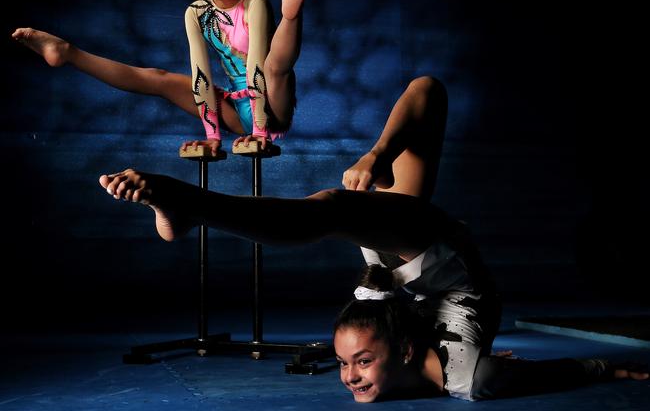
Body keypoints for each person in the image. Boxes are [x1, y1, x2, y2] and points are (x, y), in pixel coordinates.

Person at [95, 76, 648, 402]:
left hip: (402, 270)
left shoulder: (395, 328)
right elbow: (551, 372)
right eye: (357, 363)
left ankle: (195, 209)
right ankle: (191, 205)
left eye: (349, 364)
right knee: (333, 209)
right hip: (447, 264)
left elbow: (424, 89)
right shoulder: (466, 377)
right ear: (405, 351)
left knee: (422, 98)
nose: (349, 377)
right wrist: (609, 368)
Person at [12, 0, 311, 154]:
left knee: (274, 67)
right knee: (159, 79)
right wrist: (212, 136)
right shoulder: (196, 13)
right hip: (236, 107)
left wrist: (260, 130)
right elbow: (201, 75)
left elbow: (257, 63)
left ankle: (290, 14)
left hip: (273, 102)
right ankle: (67, 53)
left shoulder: (253, 1)